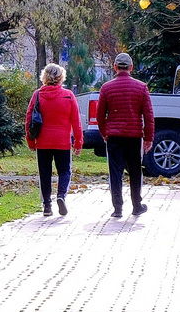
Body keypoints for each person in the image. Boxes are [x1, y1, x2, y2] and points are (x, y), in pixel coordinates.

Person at [95, 53, 154, 218]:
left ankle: (117, 208)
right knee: (135, 171)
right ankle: (137, 205)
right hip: (134, 136)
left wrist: (104, 133)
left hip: (114, 137)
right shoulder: (141, 87)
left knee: (115, 172)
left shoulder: (106, 88)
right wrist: (148, 138)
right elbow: (148, 116)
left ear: (115, 67)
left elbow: (100, 115)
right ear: (131, 67)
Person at [25, 64, 81, 216]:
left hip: (43, 141)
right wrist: (78, 142)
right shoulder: (68, 95)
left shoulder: (37, 95)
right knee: (65, 171)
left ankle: (47, 206)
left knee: (45, 173)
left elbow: (29, 119)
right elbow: (76, 121)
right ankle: (61, 195)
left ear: (44, 76)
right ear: (61, 77)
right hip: (62, 141)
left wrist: (30, 140)